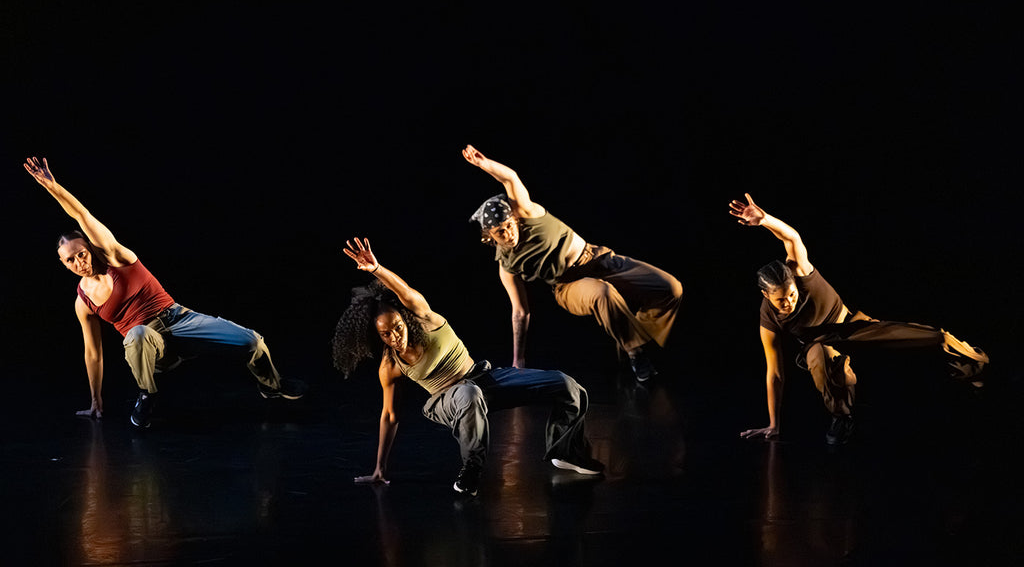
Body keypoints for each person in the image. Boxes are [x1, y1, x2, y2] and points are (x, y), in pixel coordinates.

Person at [24, 157, 306, 428]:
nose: (79, 263)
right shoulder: (82, 302)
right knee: (136, 334)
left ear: (89, 247)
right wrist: (96, 399)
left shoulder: (116, 257)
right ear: (63, 264)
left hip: (180, 320)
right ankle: (147, 396)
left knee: (252, 342)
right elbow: (93, 353)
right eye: (70, 261)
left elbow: (82, 215)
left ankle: (272, 386)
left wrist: (52, 187)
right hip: (153, 348)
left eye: (81, 254)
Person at [333, 237, 603, 496]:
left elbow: (403, 291)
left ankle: (565, 451)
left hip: (482, 380)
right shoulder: (390, 366)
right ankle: (471, 469)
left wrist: (377, 269)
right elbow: (389, 415)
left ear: (405, 318)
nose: (395, 336)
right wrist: (380, 468)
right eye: (386, 334)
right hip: (447, 400)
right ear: (376, 336)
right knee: (468, 395)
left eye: (398, 327)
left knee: (565, 384)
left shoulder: (426, 318)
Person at [728, 193, 989, 445]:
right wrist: (774, 424)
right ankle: (842, 417)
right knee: (819, 356)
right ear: (765, 295)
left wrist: (765, 221)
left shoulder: (800, 271)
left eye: (792, 295)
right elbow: (774, 372)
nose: (789, 302)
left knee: (935, 337)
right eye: (781, 300)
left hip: (853, 326)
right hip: (821, 344)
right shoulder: (768, 316)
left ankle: (979, 371)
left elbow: (792, 238)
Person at [462, 144, 683, 382]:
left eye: (509, 225)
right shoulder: (507, 266)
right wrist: (519, 360)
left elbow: (510, 178)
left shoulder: (527, 212)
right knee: (603, 292)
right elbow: (520, 313)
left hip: (598, 258)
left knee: (670, 289)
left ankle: (627, 334)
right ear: (490, 237)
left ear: (514, 217)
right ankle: (634, 351)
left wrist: (483, 164)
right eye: (500, 232)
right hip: (568, 286)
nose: (508, 233)